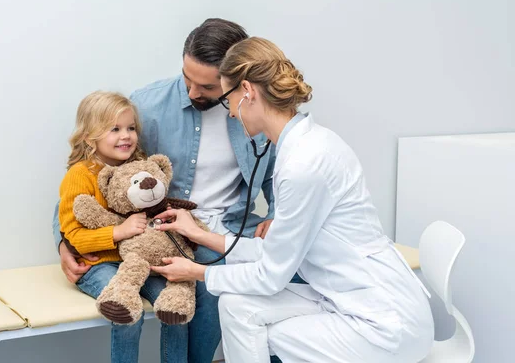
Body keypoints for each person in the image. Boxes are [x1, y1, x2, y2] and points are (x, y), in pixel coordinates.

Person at [151, 37, 435, 362]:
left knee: (258, 334)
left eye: (227, 99)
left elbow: (270, 275)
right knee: (235, 304)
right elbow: (276, 252)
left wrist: (196, 271)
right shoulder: (307, 145)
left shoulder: (304, 165)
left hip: (384, 323)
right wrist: (200, 235)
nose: (229, 112)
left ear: (247, 92)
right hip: (343, 295)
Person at [53, 19, 281, 362]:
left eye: (206, 86)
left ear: (237, 79)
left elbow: (279, 176)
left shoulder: (261, 112)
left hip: (234, 227)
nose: (191, 92)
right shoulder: (147, 105)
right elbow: (93, 175)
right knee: (209, 289)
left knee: (300, 274)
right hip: (168, 230)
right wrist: (63, 239)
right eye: (186, 78)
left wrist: (277, 214)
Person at [56, 91, 203, 363]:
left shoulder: (140, 170)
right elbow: (73, 237)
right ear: (89, 137)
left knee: (176, 309)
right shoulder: (79, 175)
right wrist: (119, 232)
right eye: (114, 129)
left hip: (140, 261)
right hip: (99, 264)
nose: (126, 136)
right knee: (126, 311)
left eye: (131, 128)